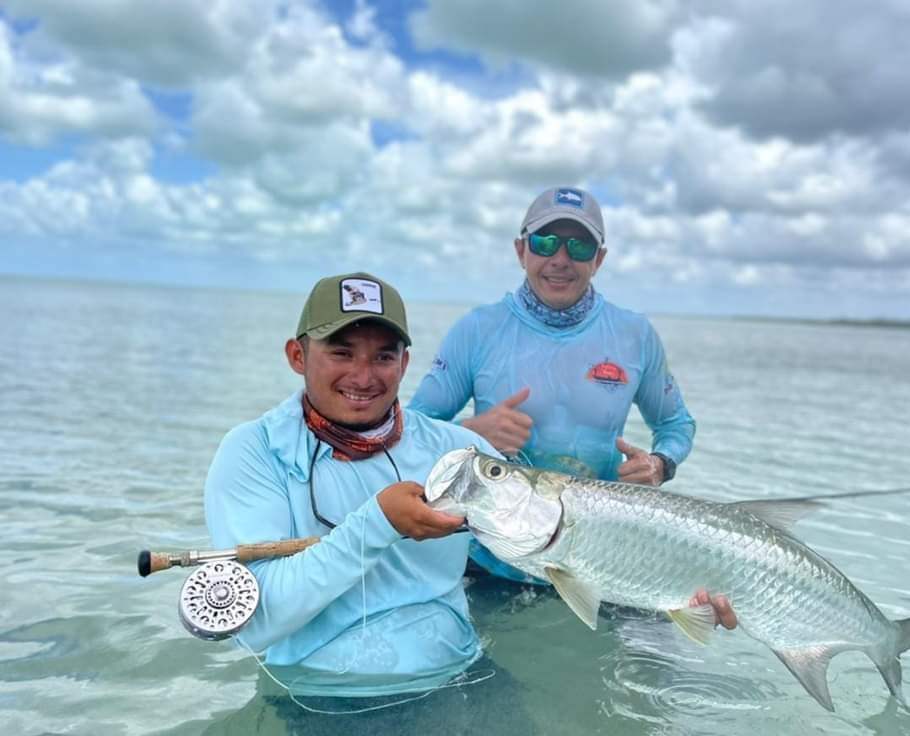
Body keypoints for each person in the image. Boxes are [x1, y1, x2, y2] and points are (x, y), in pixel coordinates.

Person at [204, 271, 735, 700]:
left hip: (465, 675)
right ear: (298, 356)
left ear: (406, 363)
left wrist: (679, 579)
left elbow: (545, 538)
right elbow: (257, 625)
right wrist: (377, 525)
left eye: (383, 355)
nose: (364, 375)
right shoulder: (253, 453)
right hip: (333, 696)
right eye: (341, 352)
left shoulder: (455, 452)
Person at [409, 186, 696, 580]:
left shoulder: (635, 334)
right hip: (492, 557)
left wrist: (660, 464)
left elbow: (675, 425)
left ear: (599, 259)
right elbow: (410, 428)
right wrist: (469, 432)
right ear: (520, 250)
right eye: (546, 242)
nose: (560, 259)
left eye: (579, 247)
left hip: (600, 555)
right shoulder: (477, 330)